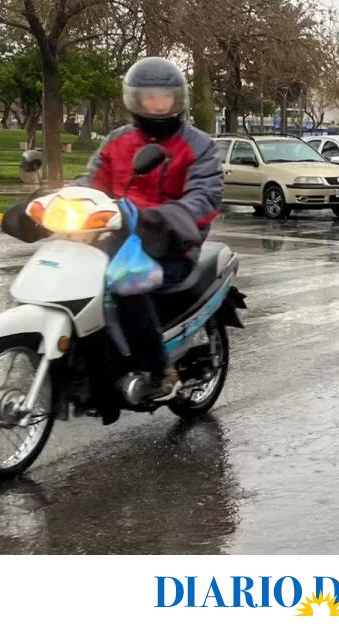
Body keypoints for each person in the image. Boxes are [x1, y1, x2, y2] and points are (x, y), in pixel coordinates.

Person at [77, 57, 223, 406]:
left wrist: (158, 218)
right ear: (134, 99)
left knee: (127, 284)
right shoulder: (117, 141)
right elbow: (91, 182)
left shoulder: (199, 145)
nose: (158, 105)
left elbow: (204, 198)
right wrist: (64, 200)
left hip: (171, 244)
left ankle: (160, 371)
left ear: (178, 99)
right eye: (149, 97)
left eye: (165, 97)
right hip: (115, 239)